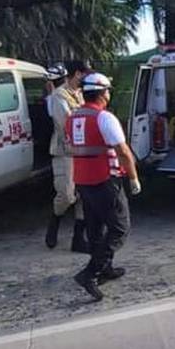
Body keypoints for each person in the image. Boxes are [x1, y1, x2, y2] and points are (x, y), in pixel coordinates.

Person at [66, 72, 142, 301]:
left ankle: (105, 269)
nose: (109, 94)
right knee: (119, 227)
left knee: (96, 227)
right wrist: (133, 178)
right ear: (101, 94)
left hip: (82, 180)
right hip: (104, 179)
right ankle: (91, 273)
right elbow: (123, 151)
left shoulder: (73, 117)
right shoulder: (104, 118)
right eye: (108, 90)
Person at [45, 60, 90, 252]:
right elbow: (66, 123)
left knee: (84, 194)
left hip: (84, 150)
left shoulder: (81, 94)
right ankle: (54, 222)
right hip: (66, 150)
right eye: (84, 74)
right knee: (66, 194)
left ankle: (78, 239)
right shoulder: (59, 96)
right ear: (77, 74)